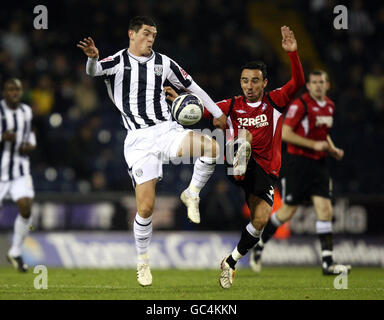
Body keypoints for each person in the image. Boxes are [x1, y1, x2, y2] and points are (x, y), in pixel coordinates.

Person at [77, 16, 227, 287]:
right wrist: (92, 58)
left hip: (167, 130)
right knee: (146, 208)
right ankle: (143, 261)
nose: (150, 39)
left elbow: (191, 85)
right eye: (146, 34)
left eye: (154, 35)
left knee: (212, 147)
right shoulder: (117, 62)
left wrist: (217, 113)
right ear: (131, 34)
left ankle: (191, 193)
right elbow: (94, 70)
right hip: (139, 141)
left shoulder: (164, 63)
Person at [166, 26, 305, 289]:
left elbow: (298, 83)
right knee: (244, 139)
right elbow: (200, 110)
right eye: (244, 81)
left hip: (264, 172)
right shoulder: (229, 106)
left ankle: (230, 261)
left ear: (264, 83)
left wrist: (293, 54)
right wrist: (180, 99)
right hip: (236, 162)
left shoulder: (275, 101)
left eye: (254, 81)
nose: (249, 86)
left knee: (260, 220)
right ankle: (240, 157)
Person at [250, 70, 352, 275]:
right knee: (288, 211)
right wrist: (314, 144)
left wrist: (332, 149)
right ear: (308, 86)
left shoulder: (329, 106)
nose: (317, 86)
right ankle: (259, 245)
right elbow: (286, 134)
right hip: (297, 164)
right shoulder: (300, 105)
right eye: (313, 82)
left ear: (327, 85)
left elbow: (323, 133)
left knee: (325, 210)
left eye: (321, 82)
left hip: (319, 165)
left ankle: (327, 263)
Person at [1, 78, 36, 272]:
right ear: (4, 92)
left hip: (19, 170)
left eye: (17, 89)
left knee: (25, 207)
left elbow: (29, 136)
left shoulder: (26, 112)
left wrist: (28, 145)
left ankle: (15, 251)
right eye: (10, 89)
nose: (14, 93)